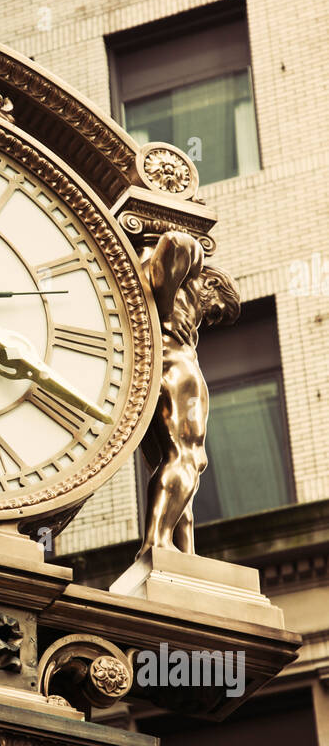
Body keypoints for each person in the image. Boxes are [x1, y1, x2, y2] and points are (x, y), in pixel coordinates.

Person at [139, 228, 240, 555]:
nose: (208, 320)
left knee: (173, 460)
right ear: (210, 284)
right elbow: (176, 241)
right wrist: (167, 311)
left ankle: (183, 551)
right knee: (190, 457)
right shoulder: (188, 269)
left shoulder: (144, 278)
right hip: (176, 364)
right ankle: (158, 542)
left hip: (153, 368)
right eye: (217, 311)